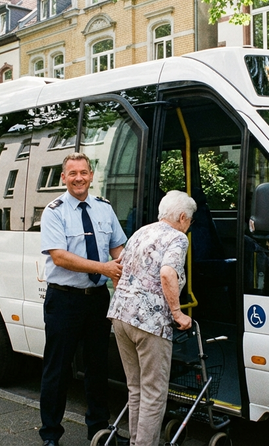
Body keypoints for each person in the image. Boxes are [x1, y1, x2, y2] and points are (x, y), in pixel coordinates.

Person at [39, 152, 127, 446]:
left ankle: (99, 431)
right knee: (58, 370)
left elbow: (118, 248)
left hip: (97, 300)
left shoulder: (104, 209)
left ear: (91, 175)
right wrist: (103, 268)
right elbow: (60, 257)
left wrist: (126, 264)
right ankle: (51, 435)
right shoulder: (54, 211)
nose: (79, 178)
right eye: (72, 173)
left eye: (84, 172)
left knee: (97, 369)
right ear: (64, 178)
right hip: (64, 301)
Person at [107, 190, 195, 446]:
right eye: (189, 220)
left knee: (136, 389)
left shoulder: (141, 232)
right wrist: (177, 313)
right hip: (150, 323)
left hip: (121, 315)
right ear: (181, 217)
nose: (189, 225)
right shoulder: (177, 238)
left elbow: (118, 267)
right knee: (154, 394)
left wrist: (125, 295)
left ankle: (136, 441)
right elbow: (168, 273)